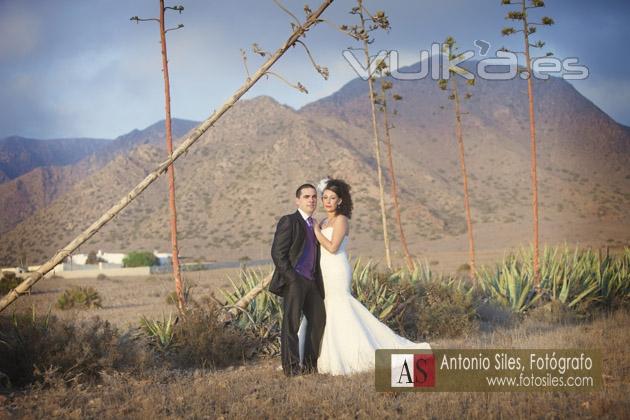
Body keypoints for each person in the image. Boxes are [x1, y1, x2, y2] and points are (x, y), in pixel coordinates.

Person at [299, 178, 430, 376]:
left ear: (340, 201)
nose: (327, 202)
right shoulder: (324, 221)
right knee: (325, 310)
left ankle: (351, 354)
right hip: (323, 270)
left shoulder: (341, 220)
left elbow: (333, 247)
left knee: (340, 307)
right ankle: (318, 356)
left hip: (336, 270)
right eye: (324, 197)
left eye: (332, 198)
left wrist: (316, 231)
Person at [269, 183, 326, 376]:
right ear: (298, 200)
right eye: (307, 197)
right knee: (291, 324)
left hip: (312, 281)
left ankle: (310, 366)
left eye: (313, 197)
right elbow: (277, 253)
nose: (311, 200)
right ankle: (292, 369)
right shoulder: (289, 221)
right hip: (295, 280)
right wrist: (292, 278)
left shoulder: (314, 224)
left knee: (318, 320)